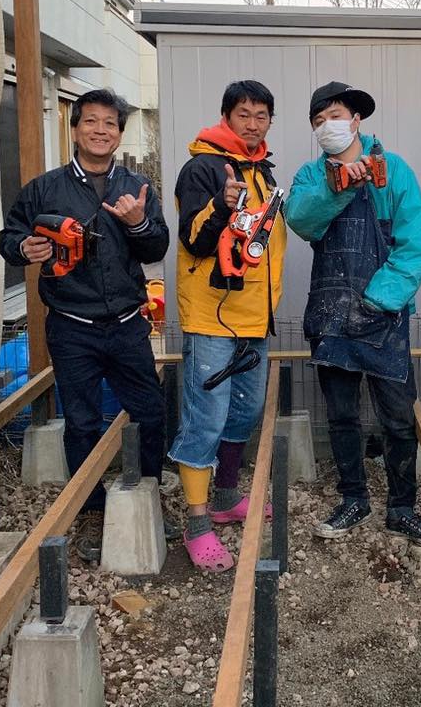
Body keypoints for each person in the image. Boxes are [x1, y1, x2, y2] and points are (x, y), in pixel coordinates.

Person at [0, 88, 170, 561]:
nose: (100, 130)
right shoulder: (44, 188)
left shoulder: (136, 187)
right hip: (71, 325)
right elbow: (11, 235)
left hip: (127, 322)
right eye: (91, 121)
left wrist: (137, 223)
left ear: (119, 133)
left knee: (151, 412)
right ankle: (92, 512)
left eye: (110, 123)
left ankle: (148, 495)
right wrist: (22, 249)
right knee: (81, 422)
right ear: (75, 129)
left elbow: (156, 248)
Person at [285, 81, 421, 544]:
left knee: (397, 416)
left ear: (356, 120)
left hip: (383, 314)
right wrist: (339, 187)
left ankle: (402, 507)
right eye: (318, 119)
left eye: (335, 115)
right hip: (331, 312)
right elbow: (301, 219)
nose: (328, 125)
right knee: (343, 415)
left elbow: (416, 244)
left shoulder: (395, 171)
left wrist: (378, 300)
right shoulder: (311, 176)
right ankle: (353, 499)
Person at [169, 80, 286, 571]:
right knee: (206, 418)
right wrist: (221, 204)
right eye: (244, 114)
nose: (253, 123)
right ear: (226, 117)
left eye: (261, 115)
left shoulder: (262, 171)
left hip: (254, 318)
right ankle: (196, 522)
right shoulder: (202, 168)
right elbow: (194, 240)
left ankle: (225, 496)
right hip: (212, 319)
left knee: (246, 410)